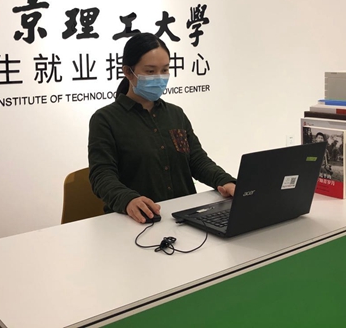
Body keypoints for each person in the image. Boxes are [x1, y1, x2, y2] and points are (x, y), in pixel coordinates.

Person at [88, 33, 236, 223]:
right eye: (150, 71)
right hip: (137, 221)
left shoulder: (175, 114)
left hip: (184, 218)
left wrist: (225, 181)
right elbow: (101, 175)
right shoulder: (105, 119)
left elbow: (197, 160)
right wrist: (128, 199)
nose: (159, 77)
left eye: (165, 69)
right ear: (128, 72)